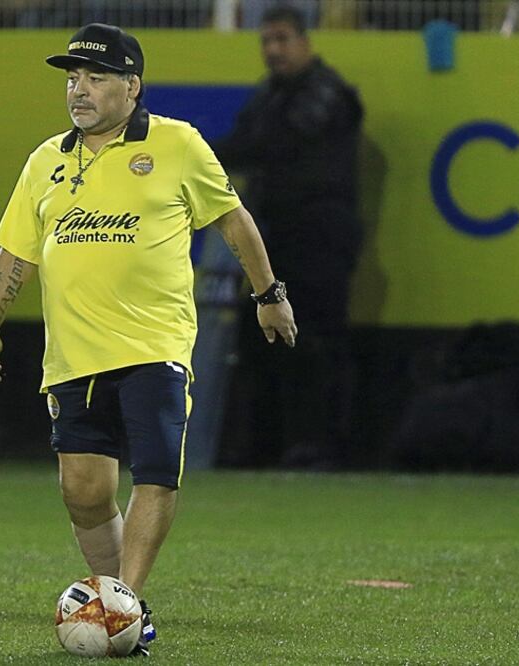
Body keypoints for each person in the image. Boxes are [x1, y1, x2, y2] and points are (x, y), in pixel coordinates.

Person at [0, 23, 296, 656]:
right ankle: (118, 603)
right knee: (84, 493)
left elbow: (234, 221)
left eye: (95, 78)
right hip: (73, 355)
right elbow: (14, 254)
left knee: (156, 474)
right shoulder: (46, 160)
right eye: (73, 79)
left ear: (132, 86)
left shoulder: (177, 144)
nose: (79, 91)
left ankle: (124, 607)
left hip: (155, 346)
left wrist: (268, 294)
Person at [214, 4, 364, 470]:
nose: (273, 50)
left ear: (305, 41)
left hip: (320, 238)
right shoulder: (269, 95)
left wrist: (198, 156)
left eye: (282, 39)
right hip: (275, 238)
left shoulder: (327, 93)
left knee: (316, 344)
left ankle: (320, 447)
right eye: (266, 40)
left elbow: (270, 145)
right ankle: (265, 446)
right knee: (262, 344)